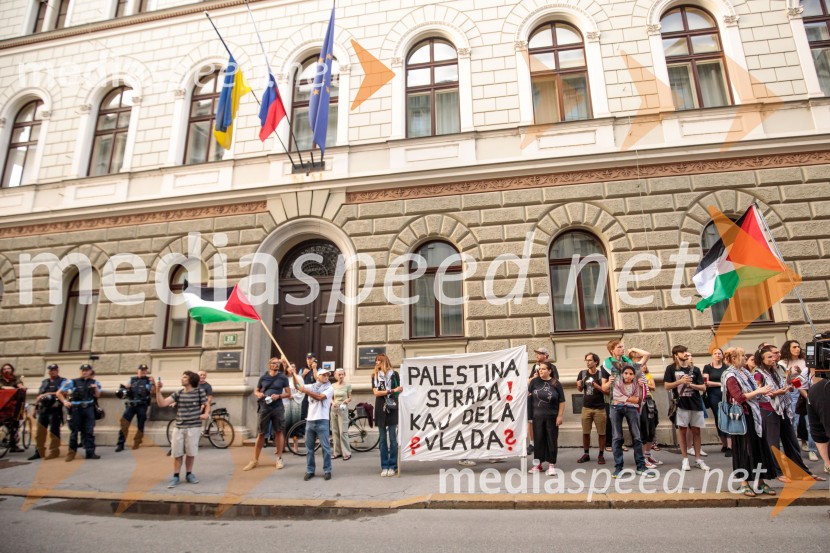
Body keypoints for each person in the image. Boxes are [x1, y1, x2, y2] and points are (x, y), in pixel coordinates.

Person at [752, 346, 823, 482]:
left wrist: (791, 384)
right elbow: (759, 394)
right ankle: (778, 472)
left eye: (774, 356)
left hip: (784, 407)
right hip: (769, 410)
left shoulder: (779, 368)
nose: (774, 358)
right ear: (762, 359)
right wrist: (778, 392)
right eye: (770, 357)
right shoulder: (758, 373)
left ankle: (801, 471)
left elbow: (789, 384)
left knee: (791, 440)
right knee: (773, 442)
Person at [722, 347, 778, 497]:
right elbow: (738, 397)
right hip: (742, 417)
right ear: (733, 359)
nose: (745, 358)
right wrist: (758, 392)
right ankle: (744, 483)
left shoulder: (745, 372)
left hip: (754, 414)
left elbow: (753, 391)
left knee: (759, 447)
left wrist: (763, 392)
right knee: (745, 449)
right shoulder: (730, 375)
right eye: (741, 356)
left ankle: (760, 482)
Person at [156, 371, 208, 488]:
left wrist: (206, 414)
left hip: (194, 427)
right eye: (182, 377)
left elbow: (206, 403)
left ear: (191, 380)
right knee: (177, 453)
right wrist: (158, 390)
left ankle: (189, 474)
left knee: (191, 452)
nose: (182, 379)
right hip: (179, 427)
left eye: (185, 377)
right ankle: (176, 476)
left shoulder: (199, 391)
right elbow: (162, 403)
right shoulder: (178, 393)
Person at [664, 345, 709, 471]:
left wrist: (691, 385)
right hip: (681, 404)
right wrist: (680, 382)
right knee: (682, 431)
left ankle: (698, 458)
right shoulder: (670, 368)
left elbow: (703, 387)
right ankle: (685, 459)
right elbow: (667, 386)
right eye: (682, 352)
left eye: (685, 352)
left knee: (696, 431)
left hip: (695, 403)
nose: (685, 354)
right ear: (675, 355)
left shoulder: (694, 369)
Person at [609, 363, 655, 478]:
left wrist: (630, 397)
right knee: (617, 437)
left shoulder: (636, 384)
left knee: (637, 437)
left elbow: (638, 399)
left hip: (632, 409)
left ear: (634, 375)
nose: (628, 376)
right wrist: (630, 399)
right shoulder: (617, 382)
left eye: (631, 374)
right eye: (626, 373)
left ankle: (641, 466)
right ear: (622, 374)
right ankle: (618, 467)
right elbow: (616, 396)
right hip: (616, 408)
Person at [244, 358, 290, 471]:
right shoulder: (263, 377)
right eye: (274, 363)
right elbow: (257, 390)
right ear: (269, 364)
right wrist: (258, 394)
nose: (276, 365)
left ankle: (279, 458)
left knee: (279, 431)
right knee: (261, 433)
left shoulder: (283, 377)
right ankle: (255, 459)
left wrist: (279, 396)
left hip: (277, 407)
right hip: (264, 407)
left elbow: (288, 393)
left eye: (278, 364)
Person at [603, 340, 650, 452]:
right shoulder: (606, 365)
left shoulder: (630, 363)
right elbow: (604, 387)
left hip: (632, 403)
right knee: (617, 436)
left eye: (623, 347)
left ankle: (640, 462)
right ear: (612, 350)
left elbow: (647, 355)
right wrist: (610, 382)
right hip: (617, 403)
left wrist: (633, 349)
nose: (622, 349)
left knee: (636, 435)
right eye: (619, 347)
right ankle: (618, 464)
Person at [780, 339, 818, 462]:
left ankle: (813, 449)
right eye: (794, 347)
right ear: (788, 349)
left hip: (805, 390)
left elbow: (806, 378)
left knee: (809, 422)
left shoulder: (804, 361)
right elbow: (783, 383)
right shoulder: (782, 363)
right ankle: (798, 446)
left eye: (798, 347)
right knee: (795, 421)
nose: (798, 349)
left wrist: (800, 373)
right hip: (792, 392)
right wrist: (789, 373)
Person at [57, 364, 101, 461]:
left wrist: (95, 388)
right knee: (74, 431)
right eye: (83, 370)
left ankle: (90, 452)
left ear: (90, 372)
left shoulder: (95, 382)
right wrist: (64, 401)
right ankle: (71, 453)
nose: (84, 372)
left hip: (89, 409)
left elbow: (97, 395)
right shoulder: (73, 382)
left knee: (89, 431)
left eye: (87, 370)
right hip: (76, 409)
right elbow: (59, 392)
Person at [528, 361, 565, 475]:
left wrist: (559, 416)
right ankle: (537, 465)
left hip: (552, 417)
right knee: (538, 441)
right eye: (540, 369)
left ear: (549, 370)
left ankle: (551, 465)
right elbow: (529, 398)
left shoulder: (555, 383)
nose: (541, 371)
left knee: (551, 440)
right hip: (537, 417)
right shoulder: (534, 382)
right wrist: (529, 416)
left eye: (544, 369)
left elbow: (562, 401)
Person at [298, 365, 334, 481]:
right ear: (318, 377)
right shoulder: (312, 386)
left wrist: (306, 391)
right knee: (309, 449)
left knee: (326, 448)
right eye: (324, 375)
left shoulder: (330, 388)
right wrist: (294, 374)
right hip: (310, 420)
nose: (326, 376)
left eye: (328, 375)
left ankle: (327, 470)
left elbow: (319, 397)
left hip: (322, 420)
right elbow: (298, 386)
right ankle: (310, 470)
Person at [576, 353, 609, 465]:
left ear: (596, 362)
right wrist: (579, 385)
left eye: (590, 360)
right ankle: (586, 454)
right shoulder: (583, 373)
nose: (588, 362)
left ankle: (601, 455)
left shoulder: (601, 375)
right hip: (586, 407)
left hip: (599, 408)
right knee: (585, 432)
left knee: (602, 433)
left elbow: (607, 392)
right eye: (586, 360)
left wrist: (598, 387)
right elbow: (580, 389)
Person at [629, 349, 661, 467]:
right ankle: (642, 458)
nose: (641, 359)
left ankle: (647, 454)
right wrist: (632, 350)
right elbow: (647, 354)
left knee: (651, 428)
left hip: (648, 400)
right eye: (637, 358)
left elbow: (647, 354)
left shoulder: (641, 371)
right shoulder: (632, 370)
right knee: (644, 430)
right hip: (640, 403)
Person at [29, 363, 66, 460]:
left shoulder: (63, 381)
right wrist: (35, 409)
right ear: (48, 371)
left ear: (58, 371)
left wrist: (48, 393)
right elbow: (39, 396)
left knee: (54, 432)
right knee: (40, 432)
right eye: (51, 370)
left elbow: (63, 392)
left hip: (55, 409)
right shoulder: (45, 382)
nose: (53, 371)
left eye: (55, 369)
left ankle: (54, 451)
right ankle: (39, 452)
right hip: (43, 409)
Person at [372, 353, 402, 477]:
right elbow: (376, 393)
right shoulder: (375, 375)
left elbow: (399, 390)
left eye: (378, 361)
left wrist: (394, 392)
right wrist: (391, 391)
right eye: (376, 361)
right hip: (380, 407)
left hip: (392, 407)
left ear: (384, 361)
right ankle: (384, 465)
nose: (376, 363)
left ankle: (393, 465)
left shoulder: (394, 375)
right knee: (383, 439)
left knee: (393, 439)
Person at [115, 363, 154, 452]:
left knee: (140, 425)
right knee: (124, 424)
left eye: (145, 370)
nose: (143, 372)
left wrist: (154, 383)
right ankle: (120, 444)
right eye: (141, 370)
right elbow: (125, 391)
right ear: (138, 371)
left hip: (142, 405)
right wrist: (125, 387)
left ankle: (137, 441)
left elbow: (153, 391)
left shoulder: (148, 380)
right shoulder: (132, 380)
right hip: (131, 405)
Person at [526, 347, 556, 456]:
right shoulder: (535, 367)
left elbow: (555, 382)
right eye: (537, 354)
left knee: (547, 423)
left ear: (545, 355)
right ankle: (532, 443)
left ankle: (547, 444)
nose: (537, 356)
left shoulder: (552, 367)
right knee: (531, 421)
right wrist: (534, 377)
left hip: (546, 400)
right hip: (534, 399)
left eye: (539, 354)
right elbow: (529, 382)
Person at [703, 348, 730, 457]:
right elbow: (706, 382)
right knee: (719, 418)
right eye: (715, 353)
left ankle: (730, 445)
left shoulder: (726, 367)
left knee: (728, 417)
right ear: (712, 355)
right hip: (714, 395)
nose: (717, 355)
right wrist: (720, 384)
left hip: (726, 395)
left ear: (722, 355)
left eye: (719, 353)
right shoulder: (707, 367)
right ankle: (724, 443)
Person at [807, 363, 830, 474]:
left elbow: (818, 432)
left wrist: (827, 463)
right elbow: (817, 431)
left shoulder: (816, 390)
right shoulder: (817, 390)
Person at [0, 363, 26, 453]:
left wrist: (22, 387)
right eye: (4, 369)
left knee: (14, 424)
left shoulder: (16, 379)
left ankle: (13, 445)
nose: (7, 370)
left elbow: (20, 385)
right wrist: (6, 387)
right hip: (2, 404)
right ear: (2, 371)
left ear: (12, 370)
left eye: (8, 368)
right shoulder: (0, 379)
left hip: (13, 405)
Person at [331, 368, 352, 461]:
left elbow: (350, 397)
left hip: (343, 409)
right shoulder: (333, 386)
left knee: (343, 431)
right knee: (335, 431)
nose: (341, 376)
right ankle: (337, 452)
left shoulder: (347, 385)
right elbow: (330, 398)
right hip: (334, 409)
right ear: (335, 375)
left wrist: (347, 400)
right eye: (339, 374)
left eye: (342, 374)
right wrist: (332, 402)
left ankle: (346, 452)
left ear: (344, 375)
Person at [284, 363, 304, 454]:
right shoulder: (284, 379)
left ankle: (295, 446)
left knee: (294, 425)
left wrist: (294, 396)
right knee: (284, 425)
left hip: (295, 404)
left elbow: (302, 390)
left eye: (294, 367)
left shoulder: (299, 378)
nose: (293, 368)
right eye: (291, 366)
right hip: (285, 404)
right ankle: (283, 445)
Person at [300, 354, 317, 421]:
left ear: (314, 360)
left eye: (310, 358)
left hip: (314, 395)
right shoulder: (302, 369)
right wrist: (303, 375)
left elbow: (318, 380)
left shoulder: (319, 369)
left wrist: (314, 369)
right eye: (307, 359)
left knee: (313, 413)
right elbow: (298, 383)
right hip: (304, 395)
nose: (309, 360)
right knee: (303, 413)